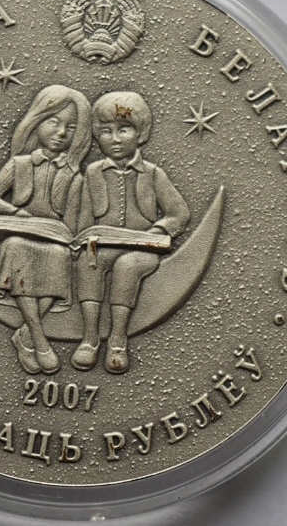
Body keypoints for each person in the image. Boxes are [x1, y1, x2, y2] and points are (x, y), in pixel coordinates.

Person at [72, 92, 190, 374]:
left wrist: (158, 230)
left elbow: (179, 213)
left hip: (143, 249)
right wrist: (80, 237)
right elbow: (84, 215)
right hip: (103, 245)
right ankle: (90, 338)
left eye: (123, 130)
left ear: (141, 133)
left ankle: (117, 340)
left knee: (127, 266)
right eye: (105, 131)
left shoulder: (152, 173)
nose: (114, 139)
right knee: (89, 261)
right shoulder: (93, 172)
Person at [0, 85, 91, 374]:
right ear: (36, 121)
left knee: (59, 255)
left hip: (54, 240)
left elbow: (72, 222)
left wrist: (72, 237)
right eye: (54, 122)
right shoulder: (19, 164)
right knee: (15, 246)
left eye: (71, 127)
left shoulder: (73, 175)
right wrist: (15, 212)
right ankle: (39, 341)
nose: (61, 132)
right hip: (20, 233)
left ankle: (26, 335)